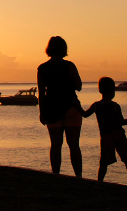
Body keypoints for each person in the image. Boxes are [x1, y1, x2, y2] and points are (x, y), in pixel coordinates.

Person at [37, 36, 83, 177]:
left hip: (52, 108)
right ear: (64, 49)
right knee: (74, 144)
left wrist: (42, 112)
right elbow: (78, 86)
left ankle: (56, 175)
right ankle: (78, 176)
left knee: (56, 145)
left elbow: (41, 93)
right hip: (71, 107)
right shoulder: (69, 66)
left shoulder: (42, 68)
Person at [82, 77, 127, 186]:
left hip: (106, 136)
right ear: (112, 91)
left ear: (100, 90)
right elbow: (121, 122)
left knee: (104, 162)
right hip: (118, 135)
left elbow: (85, 114)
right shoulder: (115, 106)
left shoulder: (96, 106)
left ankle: (100, 181)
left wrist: (76, 106)